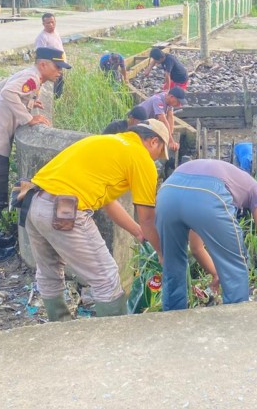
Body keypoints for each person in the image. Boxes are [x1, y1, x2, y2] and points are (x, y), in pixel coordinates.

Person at [24, 120, 169, 320]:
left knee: (49, 269)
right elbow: (147, 216)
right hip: (64, 210)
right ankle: (112, 339)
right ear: (153, 141)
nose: (156, 159)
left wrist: (137, 231)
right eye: (159, 152)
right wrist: (162, 252)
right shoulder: (141, 157)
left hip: (33, 202)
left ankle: (59, 325)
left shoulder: (106, 142)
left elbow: (109, 204)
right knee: (106, 279)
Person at [0, 47, 70, 265]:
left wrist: (29, 102)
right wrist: (27, 117)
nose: (60, 72)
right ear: (43, 65)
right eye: (57, 66)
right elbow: (6, 93)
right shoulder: (32, 77)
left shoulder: (29, 75)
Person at [155, 159, 257, 311]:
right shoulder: (255, 189)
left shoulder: (220, 172)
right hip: (209, 194)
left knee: (172, 267)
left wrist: (216, 274)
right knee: (235, 269)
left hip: (167, 193)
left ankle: (171, 325)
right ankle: (236, 325)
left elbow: (196, 248)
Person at [34, 13, 66, 98]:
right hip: (50, 69)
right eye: (48, 23)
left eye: (53, 22)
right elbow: (40, 56)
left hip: (59, 65)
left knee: (59, 89)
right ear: (43, 24)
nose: (51, 25)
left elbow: (60, 48)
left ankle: (57, 106)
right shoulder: (42, 38)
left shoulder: (56, 33)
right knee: (50, 91)